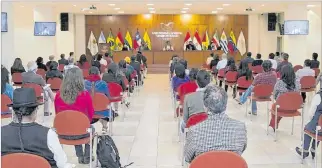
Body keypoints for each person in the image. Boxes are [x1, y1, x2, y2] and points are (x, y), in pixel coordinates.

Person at [1, 88, 73, 168]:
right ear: (35, 111)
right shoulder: (48, 134)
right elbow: (61, 164)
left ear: (13, 111)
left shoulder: (1, 132)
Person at [184, 84, 247, 163]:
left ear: (205, 107)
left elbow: (187, 157)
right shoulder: (240, 128)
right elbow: (241, 150)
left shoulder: (194, 131)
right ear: (226, 105)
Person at [54, 67, 94, 164]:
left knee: (74, 124)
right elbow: (91, 115)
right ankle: (87, 156)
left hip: (63, 132)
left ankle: (80, 156)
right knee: (88, 128)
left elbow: (57, 114)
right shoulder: (85, 95)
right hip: (82, 132)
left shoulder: (58, 95)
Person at [269, 65, 301, 131]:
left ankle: (274, 123)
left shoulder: (279, 83)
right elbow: (298, 94)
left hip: (281, 107)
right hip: (294, 107)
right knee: (280, 106)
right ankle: (275, 123)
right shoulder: (298, 83)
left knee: (275, 106)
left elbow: (275, 95)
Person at [295, 87, 322, 159]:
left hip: (317, 123)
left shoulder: (319, 96)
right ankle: (313, 149)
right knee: (319, 129)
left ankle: (305, 150)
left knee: (308, 129)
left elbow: (311, 112)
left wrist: (311, 120)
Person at [84, 67, 111, 133]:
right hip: (102, 111)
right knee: (106, 107)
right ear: (98, 73)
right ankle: (104, 127)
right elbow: (108, 98)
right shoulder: (103, 83)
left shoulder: (83, 83)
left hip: (88, 112)